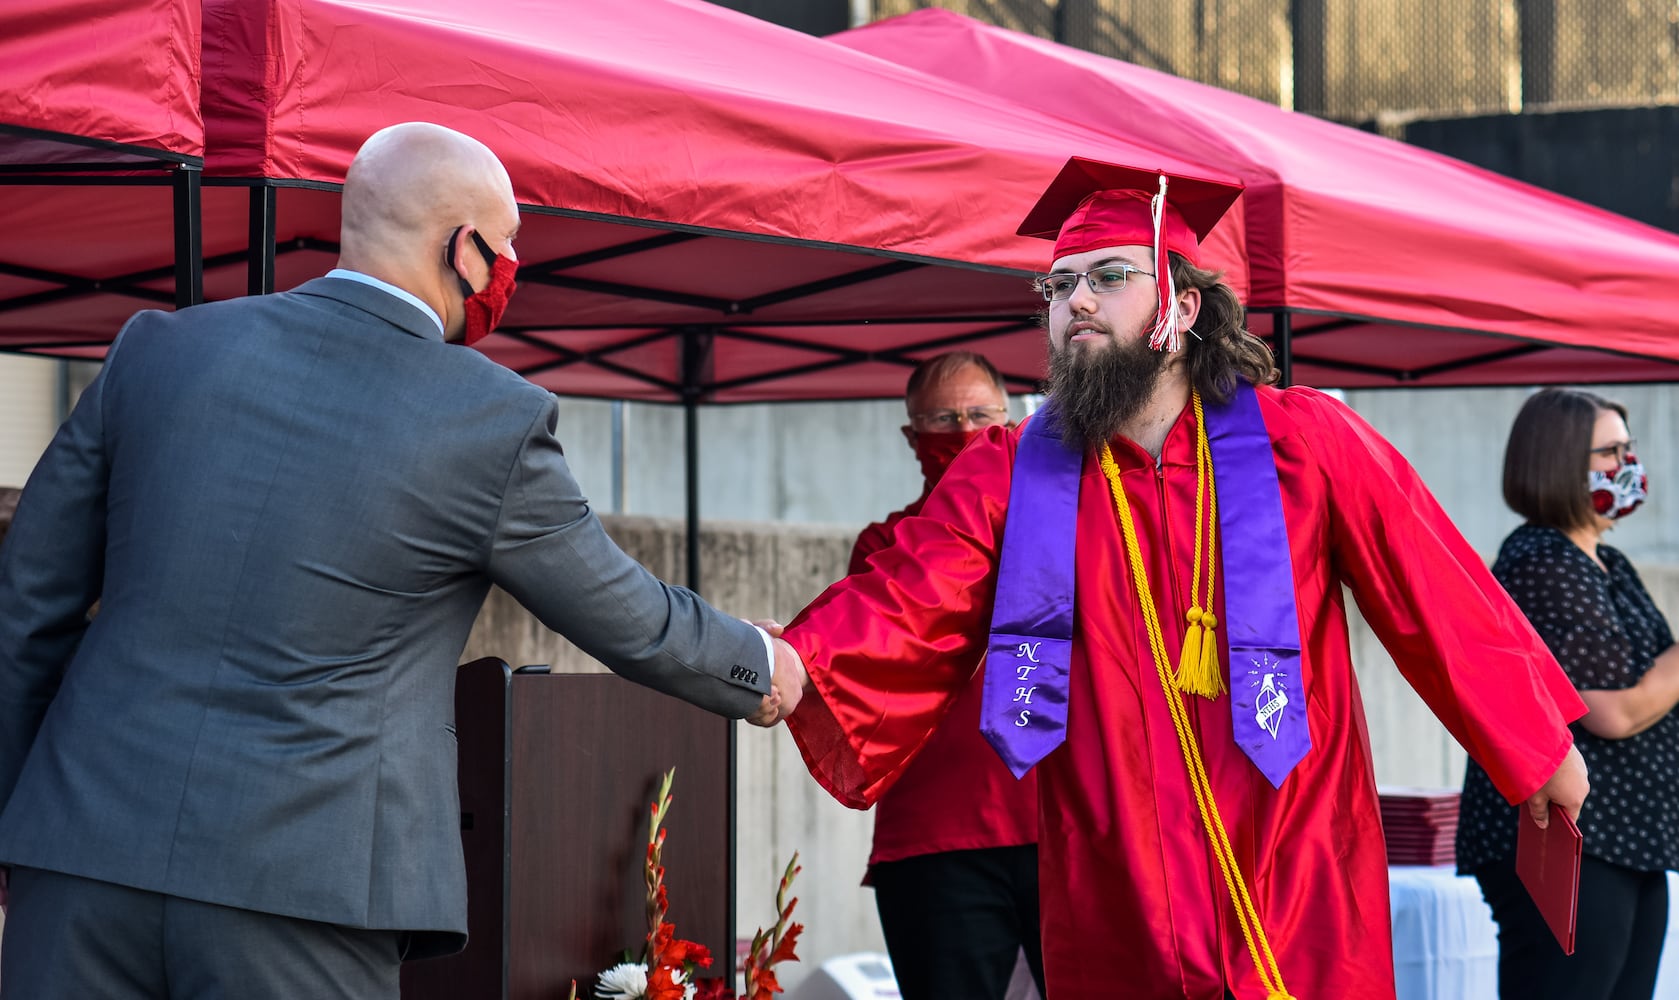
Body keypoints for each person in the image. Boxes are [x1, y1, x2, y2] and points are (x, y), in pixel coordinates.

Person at [757, 157, 1589, 999]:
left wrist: (1537, 745)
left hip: (1292, 859)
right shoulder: (1013, 473)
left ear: (1182, 306)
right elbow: (906, 598)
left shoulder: (1304, 444)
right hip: (1119, 877)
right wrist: (794, 663)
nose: (1075, 301)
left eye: (1109, 277)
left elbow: (1434, 590)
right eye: (1056, 285)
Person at [0, 122, 790, 1000]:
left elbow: (26, 606)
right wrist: (761, 666)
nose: (506, 276)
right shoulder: (489, 418)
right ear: (464, 247)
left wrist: (19, 818)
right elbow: (627, 616)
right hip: (307, 889)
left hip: (75, 860)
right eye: (506, 252)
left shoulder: (158, 349)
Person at [1457, 388, 1679, 1000]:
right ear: (1557, 462)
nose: (1628, 465)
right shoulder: (1542, 562)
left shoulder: (1608, 562)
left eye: (1629, 448)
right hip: (1571, 836)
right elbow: (1613, 708)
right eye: (1611, 452)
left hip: (1628, 833)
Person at [852, 351, 1044, 1000]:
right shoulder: (886, 549)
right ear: (911, 436)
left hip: (1065, 823)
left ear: (1011, 419)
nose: (962, 432)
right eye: (940, 419)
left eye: (978, 415)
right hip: (935, 835)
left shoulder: (1067, 528)